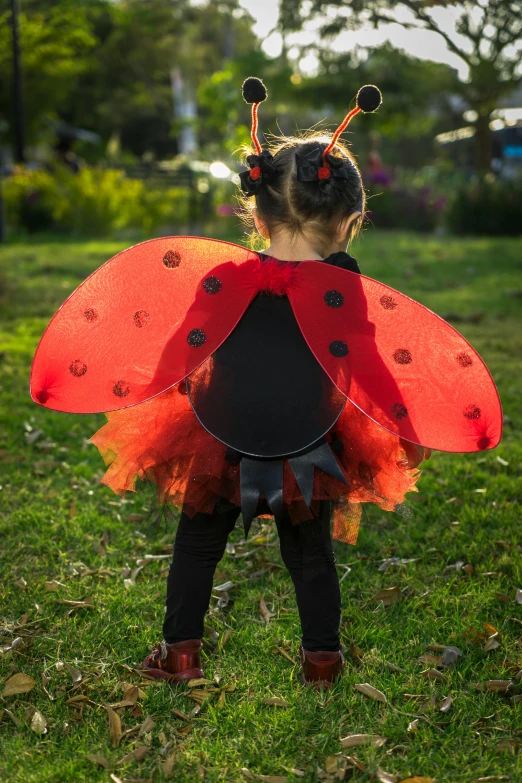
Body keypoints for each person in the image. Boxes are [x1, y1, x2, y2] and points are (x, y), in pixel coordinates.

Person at [31, 78, 502, 691]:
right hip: (309, 437)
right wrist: (402, 423)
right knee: (310, 555)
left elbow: (182, 351)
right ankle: (322, 665)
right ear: (352, 220)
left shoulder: (224, 276)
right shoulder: (347, 292)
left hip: (219, 429)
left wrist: (156, 390)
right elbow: (370, 371)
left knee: (198, 544)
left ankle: (179, 655)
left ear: (256, 211)